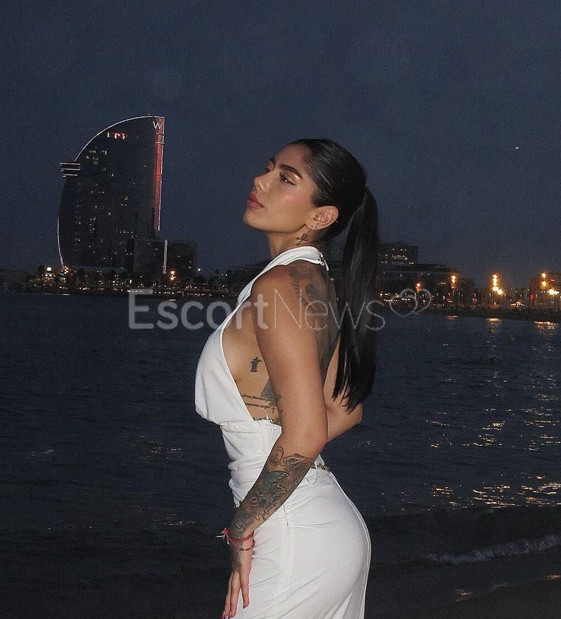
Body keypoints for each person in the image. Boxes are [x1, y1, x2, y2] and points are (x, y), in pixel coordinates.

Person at [195, 138, 379, 618]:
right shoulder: (313, 283)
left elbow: (307, 433)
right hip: (321, 525)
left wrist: (241, 528)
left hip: (295, 534)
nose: (260, 180)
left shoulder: (278, 287)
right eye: (269, 168)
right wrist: (285, 446)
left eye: (285, 178)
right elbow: (344, 409)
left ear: (321, 216)